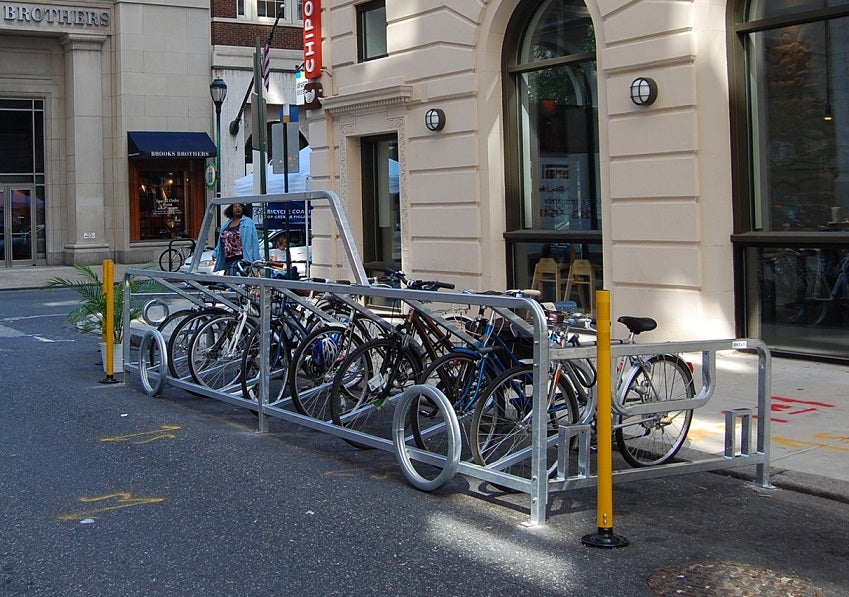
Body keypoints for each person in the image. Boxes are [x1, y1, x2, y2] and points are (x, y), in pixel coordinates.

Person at [212, 203, 260, 275]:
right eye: (235, 207)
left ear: (243, 208)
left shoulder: (248, 222)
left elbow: (254, 242)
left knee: (241, 280)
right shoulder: (227, 223)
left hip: (242, 258)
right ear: (231, 209)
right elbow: (221, 241)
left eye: (240, 206)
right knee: (230, 280)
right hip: (228, 259)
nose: (237, 208)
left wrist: (256, 259)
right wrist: (215, 253)